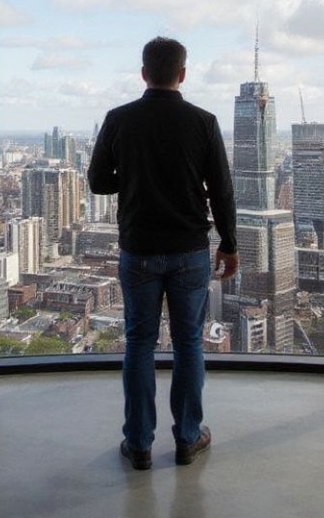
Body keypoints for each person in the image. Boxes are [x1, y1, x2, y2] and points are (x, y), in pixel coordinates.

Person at [88, 36, 237, 471]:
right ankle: (188, 438)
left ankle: (138, 444)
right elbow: (223, 191)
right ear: (183, 74)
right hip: (190, 249)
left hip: (138, 249)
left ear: (143, 73)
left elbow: (98, 181)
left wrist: (135, 177)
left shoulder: (118, 119)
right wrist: (228, 243)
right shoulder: (204, 122)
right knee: (190, 342)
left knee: (139, 342)